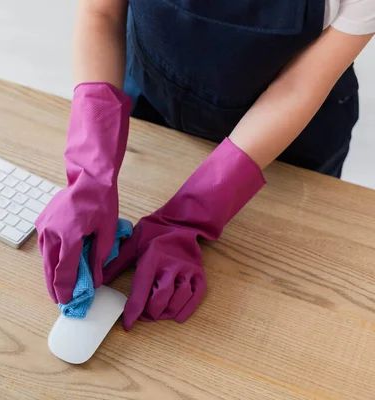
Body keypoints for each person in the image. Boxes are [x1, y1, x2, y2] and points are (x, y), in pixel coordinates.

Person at [36, 0, 375, 330]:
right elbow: (101, 12)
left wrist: (193, 213)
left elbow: (297, 86)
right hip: (156, 97)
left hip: (284, 141)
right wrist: (90, 171)